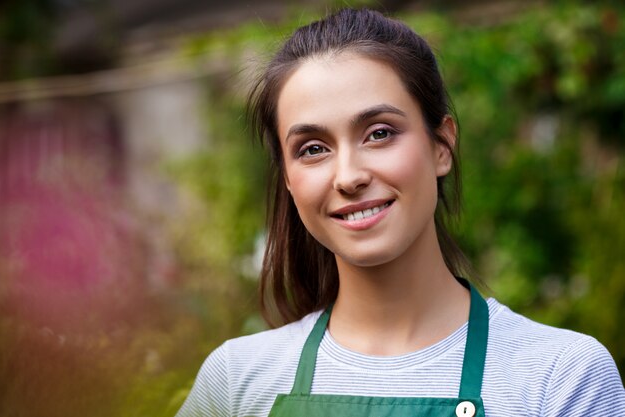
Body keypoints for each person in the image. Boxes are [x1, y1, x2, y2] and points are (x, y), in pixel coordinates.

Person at [176, 8, 625, 417]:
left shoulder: (559, 376)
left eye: (379, 133)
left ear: (442, 146)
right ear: (290, 181)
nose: (348, 176)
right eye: (312, 149)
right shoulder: (236, 382)